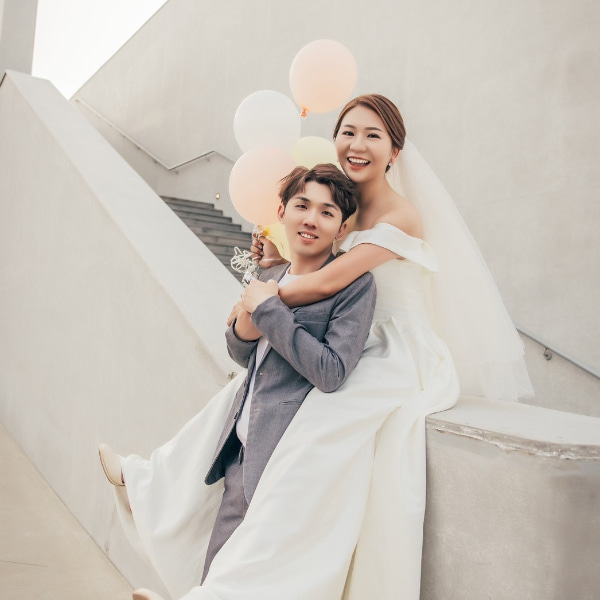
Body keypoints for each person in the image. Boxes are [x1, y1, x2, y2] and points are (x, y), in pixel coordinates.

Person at [114, 94, 533, 600]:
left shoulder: (399, 214)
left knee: (310, 444)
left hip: (394, 349)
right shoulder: (343, 208)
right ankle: (150, 488)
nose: (357, 144)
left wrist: (258, 298)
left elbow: (327, 282)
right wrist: (276, 263)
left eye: (373, 136)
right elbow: (314, 268)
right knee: (238, 400)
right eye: (348, 132)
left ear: (395, 152)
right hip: (349, 338)